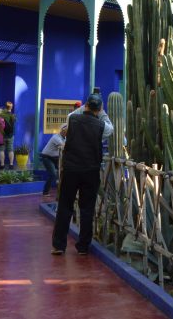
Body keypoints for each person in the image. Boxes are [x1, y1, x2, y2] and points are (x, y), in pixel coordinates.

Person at [51, 92, 105, 255]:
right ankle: (83, 246)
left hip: (71, 170)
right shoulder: (101, 125)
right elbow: (110, 128)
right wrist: (102, 112)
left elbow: (72, 115)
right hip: (91, 171)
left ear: (86, 106)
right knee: (87, 208)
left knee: (65, 206)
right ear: (100, 109)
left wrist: (84, 107)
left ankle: (59, 245)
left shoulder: (73, 119)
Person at [39, 124, 67, 195]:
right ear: (63, 131)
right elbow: (64, 146)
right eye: (66, 131)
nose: (67, 133)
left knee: (65, 172)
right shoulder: (56, 137)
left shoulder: (65, 138)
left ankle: (63, 191)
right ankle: (45, 192)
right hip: (47, 157)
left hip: (55, 157)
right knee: (53, 174)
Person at [1, 100, 16, 169]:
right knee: (10, 150)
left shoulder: (2, 115)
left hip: (3, 135)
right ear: (11, 107)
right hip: (10, 135)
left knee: (2, 150)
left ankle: (2, 165)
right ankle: (11, 164)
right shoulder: (13, 116)